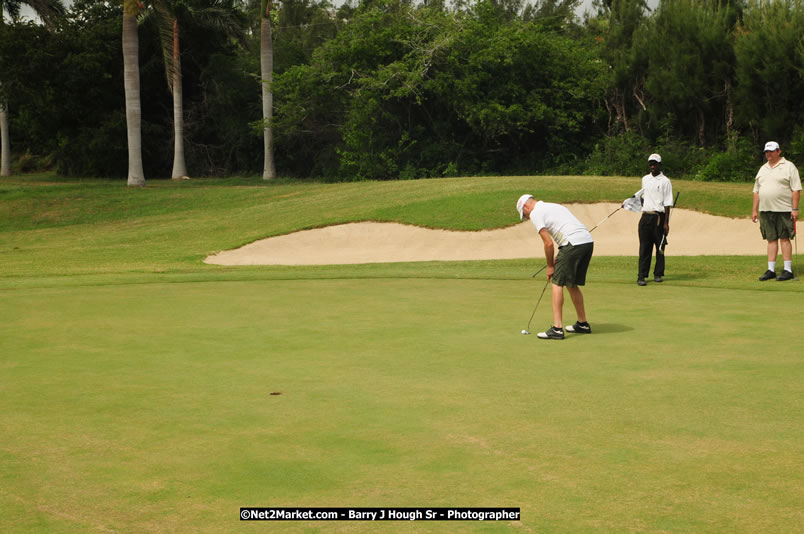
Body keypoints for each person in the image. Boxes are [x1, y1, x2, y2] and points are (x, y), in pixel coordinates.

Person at [516, 194, 594, 340]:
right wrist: (561, 255)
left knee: (557, 284)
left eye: (524, 214)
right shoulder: (554, 206)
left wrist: (549, 266)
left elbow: (548, 243)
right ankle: (582, 324)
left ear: (526, 206)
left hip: (572, 243)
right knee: (572, 284)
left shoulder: (535, 213)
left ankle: (557, 329)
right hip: (587, 242)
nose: (526, 218)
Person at [752, 141, 801, 281]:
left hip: (784, 209)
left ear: (778, 151)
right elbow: (756, 191)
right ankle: (771, 270)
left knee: (784, 238)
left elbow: (796, 189)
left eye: (772, 151)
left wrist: (795, 209)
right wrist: (754, 210)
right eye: (767, 151)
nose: (769, 154)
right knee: (771, 239)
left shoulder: (789, 166)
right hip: (766, 210)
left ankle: (787, 270)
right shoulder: (763, 169)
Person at [623, 153, 674, 286]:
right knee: (644, 248)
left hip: (659, 217)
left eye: (654, 163)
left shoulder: (665, 181)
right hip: (645, 216)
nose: (652, 166)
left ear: (659, 165)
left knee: (660, 247)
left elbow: (668, 202)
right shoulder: (645, 179)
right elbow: (642, 196)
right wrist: (629, 202)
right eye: (650, 163)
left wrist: (666, 223)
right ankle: (641, 276)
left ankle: (658, 274)